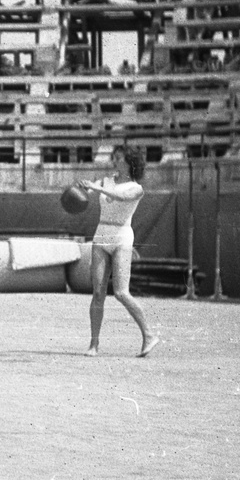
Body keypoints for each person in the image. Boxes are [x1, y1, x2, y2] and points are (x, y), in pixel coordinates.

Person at [80, 143, 159, 358]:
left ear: (131, 163)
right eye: (115, 157)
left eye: (120, 158)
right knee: (98, 292)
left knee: (122, 292)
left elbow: (120, 197)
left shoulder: (136, 188)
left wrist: (97, 188)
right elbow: (87, 191)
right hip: (101, 234)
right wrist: (82, 188)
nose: (116, 161)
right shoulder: (105, 180)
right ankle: (94, 344)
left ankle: (148, 334)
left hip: (122, 236)